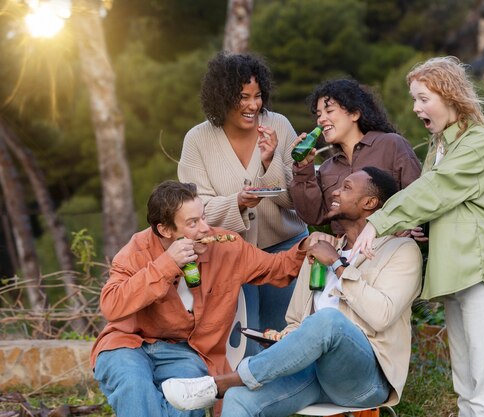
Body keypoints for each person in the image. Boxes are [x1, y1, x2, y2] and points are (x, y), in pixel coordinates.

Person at [162, 167, 423, 416]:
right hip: (312, 373)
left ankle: (222, 384)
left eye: (346, 187)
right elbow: (296, 321)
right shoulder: (320, 248)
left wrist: (337, 265)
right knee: (238, 399)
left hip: (363, 379)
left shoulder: (400, 250)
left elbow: (381, 316)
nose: (334, 192)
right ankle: (230, 388)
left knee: (328, 322)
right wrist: (284, 339)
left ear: (369, 203)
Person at [351, 56, 484, 417]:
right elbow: (452, 204)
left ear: (449, 95)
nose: (415, 108)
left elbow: (437, 188)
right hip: (456, 273)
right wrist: (425, 229)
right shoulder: (440, 145)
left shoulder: (476, 141)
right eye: (414, 99)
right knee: (465, 385)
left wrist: (377, 221)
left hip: (483, 271)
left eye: (423, 98)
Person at [91, 180, 316, 417]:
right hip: (127, 343)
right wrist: (166, 265)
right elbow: (111, 306)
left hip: (182, 350)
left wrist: (308, 246)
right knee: (133, 384)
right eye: (192, 223)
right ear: (165, 230)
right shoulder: (137, 251)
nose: (206, 228)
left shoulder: (226, 247)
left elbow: (278, 268)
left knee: (195, 394)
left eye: (204, 217)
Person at [178, 52, 308, 353]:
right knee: (243, 348)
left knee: (287, 342)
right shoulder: (197, 140)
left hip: (286, 248)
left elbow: (296, 201)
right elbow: (196, 212)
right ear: (221, 97)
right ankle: (242, 400)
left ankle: (290, 399)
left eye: (258, 96)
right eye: (243, 97)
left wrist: (269, 161)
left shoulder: (279, 125)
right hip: (229, 254)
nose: (253, 105)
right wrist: (237, 203)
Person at [289, 78, 423, 236]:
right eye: (319, 115)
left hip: (388, 248)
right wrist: (303, 169)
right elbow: (313, 216)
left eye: (329, 111)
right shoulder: (327, 167)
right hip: (346, 254)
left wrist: (409, 226)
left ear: (355, 114)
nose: (321, 120)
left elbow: (419, 196)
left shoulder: (392, 144)